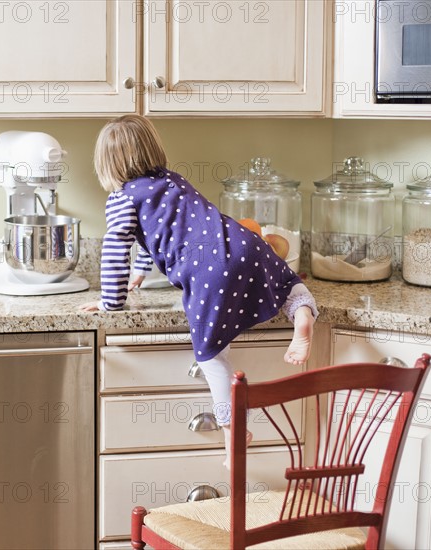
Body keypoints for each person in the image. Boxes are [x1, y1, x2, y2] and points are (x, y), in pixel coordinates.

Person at [79, 114, 318, 468]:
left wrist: (111, 301)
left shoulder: (121, 199)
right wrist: (141, 272)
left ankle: (231, 428)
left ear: (107, 165)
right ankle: (302, 316)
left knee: (211, 356)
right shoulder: (173, 181)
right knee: (285, 281)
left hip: (210, 270)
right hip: (244, 243)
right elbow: (158, 231)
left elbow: (117, 245)